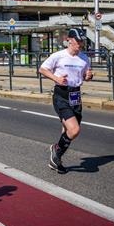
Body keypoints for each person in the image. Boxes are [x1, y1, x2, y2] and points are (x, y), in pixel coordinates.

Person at [38, 28, 93, 174]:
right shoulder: (59, 56)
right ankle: (56, 150)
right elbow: (42, 69)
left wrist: (88, 76)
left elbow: (85, 75)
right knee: (74, 130)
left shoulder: (85, 58)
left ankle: (56, 159)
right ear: (69, 39)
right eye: (77, 40)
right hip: (61, 95)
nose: (80, 44)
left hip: (76, 96)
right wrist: (56, 78)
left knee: (67, 131)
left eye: (82, 41)